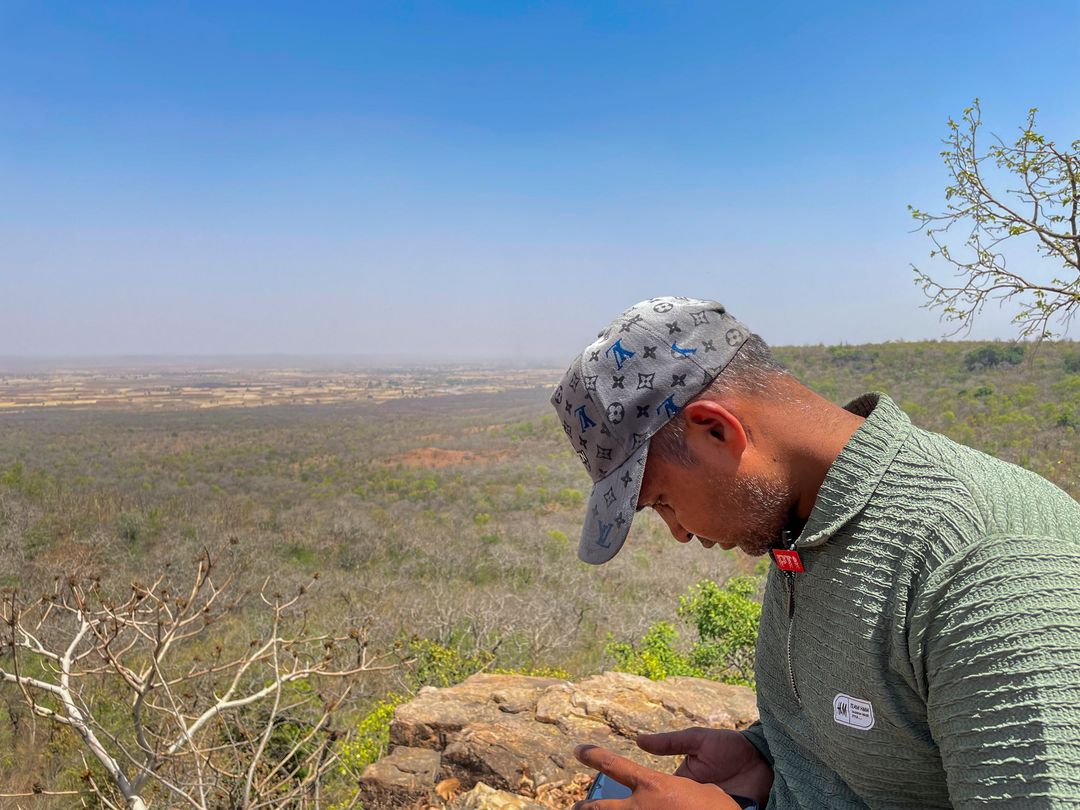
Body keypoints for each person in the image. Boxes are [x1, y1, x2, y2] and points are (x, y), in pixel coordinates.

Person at [552, 296, 1080, 809]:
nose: (680, 533)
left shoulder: (987, 568)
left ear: (718, 431)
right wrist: (765, 755)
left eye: (663, 501)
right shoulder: (799, 521)